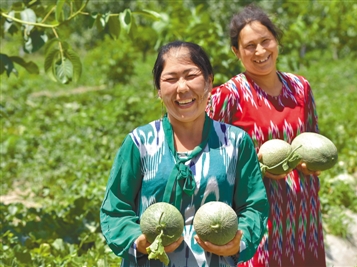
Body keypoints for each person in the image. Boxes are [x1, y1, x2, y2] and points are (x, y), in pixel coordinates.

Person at [100, 40, 269, 267]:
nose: (182, 88)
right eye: (170, 79)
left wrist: (241, 238)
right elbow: (115, 208)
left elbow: (253, 205)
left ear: (209, 82)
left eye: (191, 76)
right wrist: (138, 240)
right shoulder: (139, 143)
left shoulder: (237, 143)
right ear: (159, 91)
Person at [206, 4, 326, 267]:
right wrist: (257, 168)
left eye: (265, 41)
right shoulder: (228, 96)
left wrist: (312, 164)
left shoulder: (300, 87)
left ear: (277, 42)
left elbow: (312, 136)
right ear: (236, 52)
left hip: (302, 216)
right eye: (249, 46)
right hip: (256, 217)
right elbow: (204, 157)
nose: (260, 51)